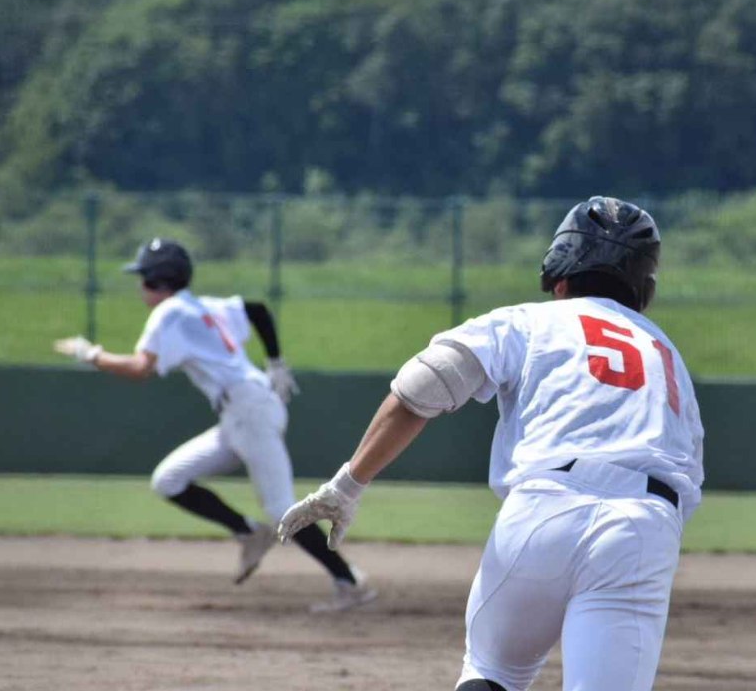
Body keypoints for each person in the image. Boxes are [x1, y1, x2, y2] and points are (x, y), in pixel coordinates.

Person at [279, 197, 704, 690]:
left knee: (494, 671)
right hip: (644, 524)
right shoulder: (667, 357)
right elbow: (689, 471)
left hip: (544, 507)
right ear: (644, 290)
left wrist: (346, 487)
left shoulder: (528, 321)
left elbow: (421, 388)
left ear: (559, 279)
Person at [53, 237, 376, 613]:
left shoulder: (169, 311)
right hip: (242, 412)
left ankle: (350, 582)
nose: (141, 286)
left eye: (144, 278)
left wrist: (92, 355)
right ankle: (248, 532)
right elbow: (257, 310)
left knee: (281, 508)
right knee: (169, 480)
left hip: (248, 411)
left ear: (159, 280)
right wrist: (275, 362)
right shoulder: (203, 306)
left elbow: (140, 368)